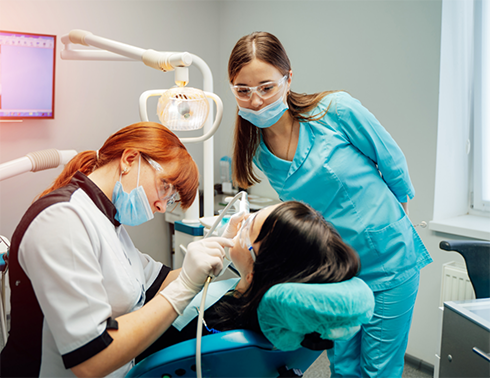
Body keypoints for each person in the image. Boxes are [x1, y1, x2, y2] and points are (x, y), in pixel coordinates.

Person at [227, 32, 432, 377]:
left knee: (379, 369)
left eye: (266, 87)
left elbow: (392, 163)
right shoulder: (260, 151)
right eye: (243, 91)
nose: (257, 101)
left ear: (288, 79)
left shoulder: (335, 110)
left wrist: (390, 224)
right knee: (343, 365)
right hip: (334, 270)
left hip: (389, 258)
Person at [0, 121, 233, 378]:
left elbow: (159, 281)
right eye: (165, 186)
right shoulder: (63, 218)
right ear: (130, 159)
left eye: (171, 197)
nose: (162, 206)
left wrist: (227, 247)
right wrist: (186, 286)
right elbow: (91, 359)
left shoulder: (108, 221)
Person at [137, 200, 360, 360]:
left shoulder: (213, 328)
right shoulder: (284, 323)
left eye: (249, 227)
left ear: (254, 272)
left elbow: (141, 339)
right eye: (254, 214)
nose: (242, 221)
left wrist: (186, 284)